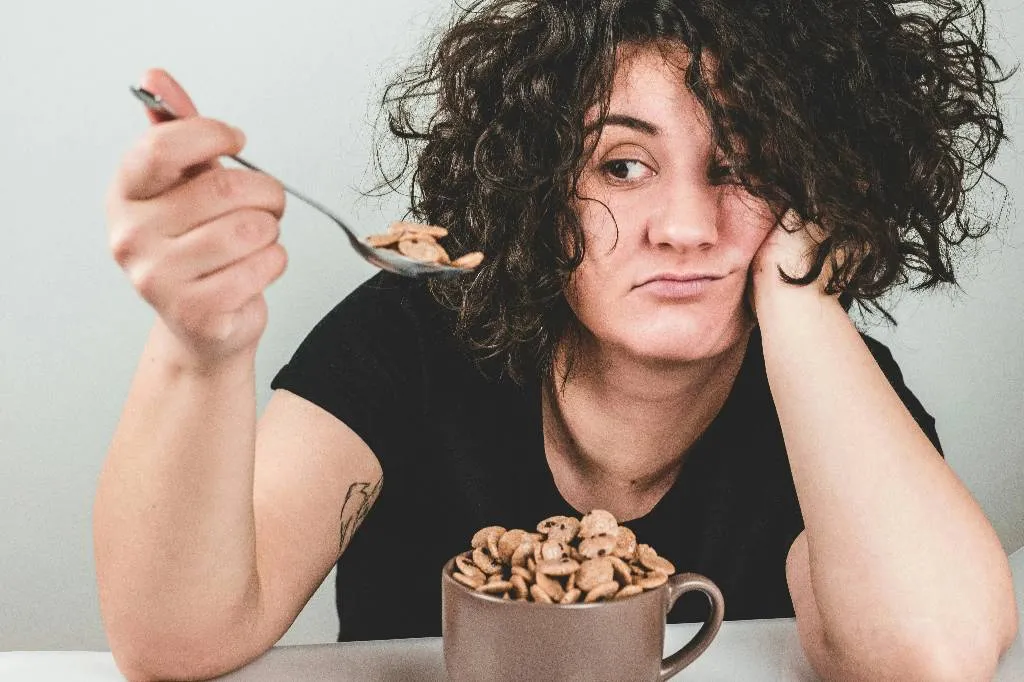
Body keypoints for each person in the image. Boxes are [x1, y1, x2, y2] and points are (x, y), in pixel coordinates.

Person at [95, 0, 1019, 679]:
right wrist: (199, 348)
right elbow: (178, 641)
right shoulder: (408, 338)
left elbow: (928, 656)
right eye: (623, 166)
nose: (685, 228)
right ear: (537, 188)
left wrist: (805, 298)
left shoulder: (831, 391)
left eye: (743, 167)